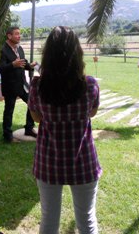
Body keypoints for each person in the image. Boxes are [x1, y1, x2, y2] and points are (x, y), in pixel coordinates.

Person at [28, 26, 102, 234]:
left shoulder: (37, 86)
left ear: (47, 54)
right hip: (83, 161)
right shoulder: (89, 84)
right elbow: (92, 113)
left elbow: (36, 118)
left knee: (49, 220)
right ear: (77, 52)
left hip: (48, 162)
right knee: (87, 220)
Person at [0, 26, 37, 143]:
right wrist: (12, 65)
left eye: (19, 34)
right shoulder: (2, 50)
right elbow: (1, 68)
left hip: (22, 84)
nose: (19, 36)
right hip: (10, 86)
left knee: (32, 103)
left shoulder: (19, 48)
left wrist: (30, 66)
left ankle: (29, 128)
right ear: (9, 36)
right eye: (16, 34)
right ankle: (7, 135)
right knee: (9, 110)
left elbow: (23, 64)